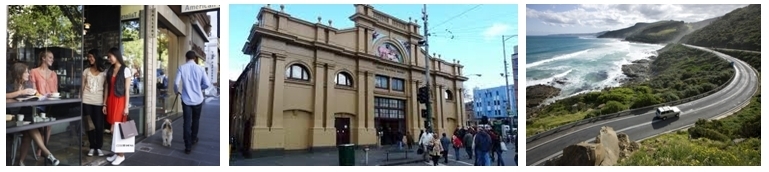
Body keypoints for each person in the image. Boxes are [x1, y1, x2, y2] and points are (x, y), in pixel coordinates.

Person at [7, 62, 60, 166]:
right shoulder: (8, 84)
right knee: (30, 128)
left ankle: (21, 162)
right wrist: (21, 92)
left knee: (28, 132)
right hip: (11, 118)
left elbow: (36, 94)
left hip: (24, 116)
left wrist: (39, 96)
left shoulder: (28, 84)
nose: (28, 74)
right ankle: (47, 154)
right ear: (19, 73)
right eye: (26, 72)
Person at [174, 50, 212, 154]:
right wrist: (200, 88)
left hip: (186, 99)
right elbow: (207, 84)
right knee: (196, 120)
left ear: (186, 58)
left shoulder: (182, 68)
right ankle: (194, 138)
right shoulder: (200, 69)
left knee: (186, 122)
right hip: (198, 99)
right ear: (195, 58)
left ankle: (188, 146)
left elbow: (176, 83)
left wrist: (176, 91)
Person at [103, 47, 133, 165]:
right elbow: (106, 88)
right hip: (111, 100)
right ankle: (117, 152)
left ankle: (121, 155)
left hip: (120, 101)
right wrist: (104, 103)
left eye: (110, 56)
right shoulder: (109, 70)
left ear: (116, 55)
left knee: (116, 128)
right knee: (112, 128)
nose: (109, 59)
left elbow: (127, 91)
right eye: (108, 57)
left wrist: (126, 107)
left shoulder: (126, 70)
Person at [29, 50, 57, 157]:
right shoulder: (34, 71)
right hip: (38, 103)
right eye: (50, 57)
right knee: (40, 127)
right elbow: (33, 90)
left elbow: (55, 90)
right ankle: (42, 148)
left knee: (48, 127)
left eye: (52, 58)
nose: (52, 60)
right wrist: (40, 96)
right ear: (43, 58)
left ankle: (41, 151)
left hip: (50, 104)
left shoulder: (53, 74)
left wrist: (52, 96)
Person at [81, 49, 107, 157]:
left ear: (97, 57)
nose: (89, 59)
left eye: (91, 56)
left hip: (98, 102)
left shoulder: (104, 72)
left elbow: (106, 88)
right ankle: (92, 146)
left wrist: (104, 103)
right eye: (88, 57)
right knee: (89, 125)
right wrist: (80, 99)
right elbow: (82, 86)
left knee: (99, 126)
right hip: (86, 100)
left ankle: (99, 147)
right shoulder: (86, 71)